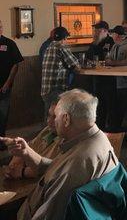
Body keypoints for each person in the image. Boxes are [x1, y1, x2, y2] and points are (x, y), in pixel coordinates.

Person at [2, 89, 117, 219]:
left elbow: (51, 214)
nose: (52, 121)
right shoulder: (96, 138)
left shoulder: (76, 164)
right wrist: (27, 152)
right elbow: (58, 168)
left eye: (56, 116)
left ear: (66, 119)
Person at [3, 99, 61, 179]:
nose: (48, 121)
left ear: (67, 119)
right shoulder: (48, 130)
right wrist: (13, 166)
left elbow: (53, 169)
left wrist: (22, 172)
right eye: (49, 115)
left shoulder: (67, 141)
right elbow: (29, 146)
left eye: (55, 117)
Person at [41, 27, 80, 119]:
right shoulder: (61, 47)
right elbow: (76, 65)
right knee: (58, 120)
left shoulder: (49, 46)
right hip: (56, 90)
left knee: (49, 119)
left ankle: (48, 133)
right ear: (65, 38)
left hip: (46, 90)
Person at [86, 21, 115, 130]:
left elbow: (105, 57)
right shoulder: (94, 42)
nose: (96, 33)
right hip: (97, 78)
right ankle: (100, 128)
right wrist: (94, 44)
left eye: (98, 31)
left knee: (110, 105)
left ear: (105, 31)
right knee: (98, 105)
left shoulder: (111, 41)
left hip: (109, 78)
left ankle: (111, 129)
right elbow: (89, 56)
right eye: (95, 31)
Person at [0, 20, 23, 145]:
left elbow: (16, 64)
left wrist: (7, 83)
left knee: (2, 115)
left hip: (4, 88)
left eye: (0, 27)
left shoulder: (9, 43)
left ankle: (1, 142)